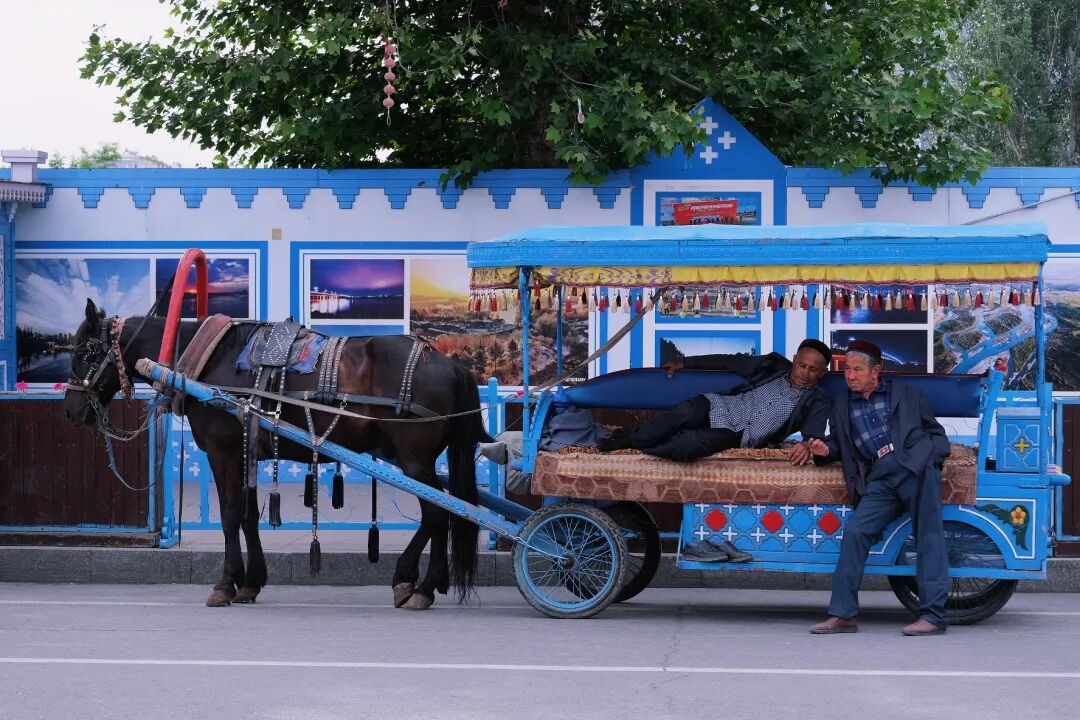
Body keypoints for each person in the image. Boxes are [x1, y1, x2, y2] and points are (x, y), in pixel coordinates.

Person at [807, 340, 951, 636]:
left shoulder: (906, 394)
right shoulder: (842, 403)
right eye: (847, 370)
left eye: (857, 369)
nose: (850, 376)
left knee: (928, 535)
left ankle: (934, 616)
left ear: (876, 371)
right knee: (855, 531)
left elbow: (937, 435)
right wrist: (824, 450)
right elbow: (837, 443)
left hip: (913, 467)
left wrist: (926, 460)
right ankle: (843, 614)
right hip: (879, 477)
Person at [597, 339, 833, 465]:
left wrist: (807, 445)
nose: (805, 373)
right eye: (801, 365)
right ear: (794, 360)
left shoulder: (817, 399)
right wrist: (685, 363)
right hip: (721, 406)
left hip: (739, 435)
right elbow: (729, 361)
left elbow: (813, 434)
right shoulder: (774, 365)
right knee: (685, 412)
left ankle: (637, 443)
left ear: (822, 373)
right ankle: (627, 440)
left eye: (813, 369)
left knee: (687, 446)